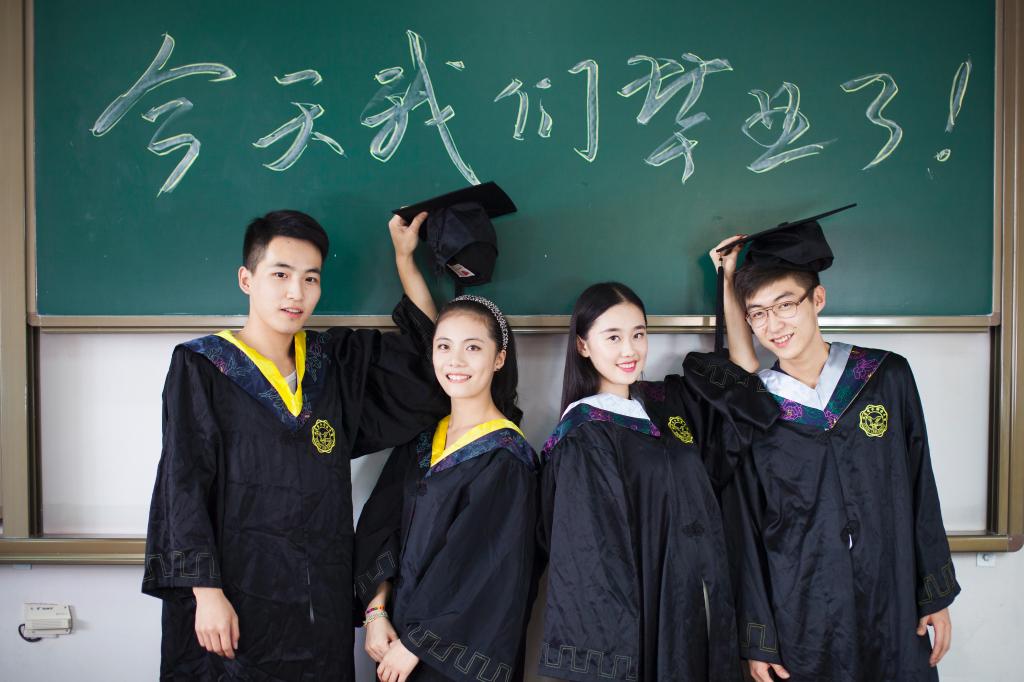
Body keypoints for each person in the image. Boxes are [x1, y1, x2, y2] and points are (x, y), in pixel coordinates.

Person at [142, 209, 447, 680]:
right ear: (247, 279)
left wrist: (406, 261)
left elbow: (428, 367)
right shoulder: (202, 367)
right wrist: (205, 592)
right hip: (234, 600)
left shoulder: (334, 364)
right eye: (280, 275)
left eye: (311, 279)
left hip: (318, 604)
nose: (296, 293)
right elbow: (182, 484)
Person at [715, 216, 959, 682]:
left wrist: (935, 592)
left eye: (786, 305)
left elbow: (919, 484)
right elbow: (744, 527)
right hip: (802, 611)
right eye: (758, 313)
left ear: (818, 299)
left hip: (891, 599)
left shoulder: (885, 378)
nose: (774, 324)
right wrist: (758, 637)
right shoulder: (755, 411)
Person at [538, 281, 777, 682]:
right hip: (649, 623)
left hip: (701, 606)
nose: (629, 350)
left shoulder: (667, 404)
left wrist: (728, 281)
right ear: (583, 345)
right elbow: (591, 563)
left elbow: (743, 375)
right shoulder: (584, 435)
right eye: (613, 337)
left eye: (638, 334)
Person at [354, 294, 538, 682]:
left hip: (448, 660)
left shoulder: (507, 459)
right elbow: (381, 525)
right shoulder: (422, 441)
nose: (455, 361)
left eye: (472, 347)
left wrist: (415, 644)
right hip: (393, 640)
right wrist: (376, 611)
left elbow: (484, 573)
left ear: (499, 358)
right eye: (444, 346)